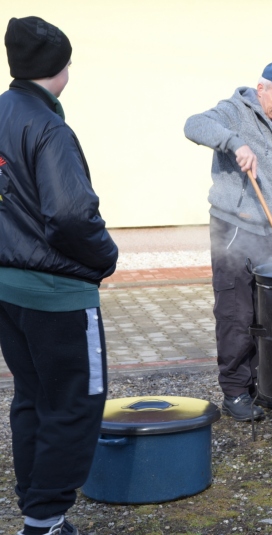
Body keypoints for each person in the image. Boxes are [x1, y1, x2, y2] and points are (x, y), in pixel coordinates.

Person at [0, 16, 118, 535]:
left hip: (7, 289)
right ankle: (45, 522)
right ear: (60, 67)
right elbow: (70, 214)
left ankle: (38, 512)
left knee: (32, 397)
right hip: (57, 295)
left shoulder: (4, 111)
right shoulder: (48, 127)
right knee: (74, 403)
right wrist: (105, 257)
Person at [184, 62, 272, 421]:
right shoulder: (234, 111)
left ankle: (261, 385)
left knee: (266, 314)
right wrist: (235, 143)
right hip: (234, 228)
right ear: (261, 87)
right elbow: (193, 125)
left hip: (270, 232)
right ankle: (235, 392)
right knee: (236, 313)